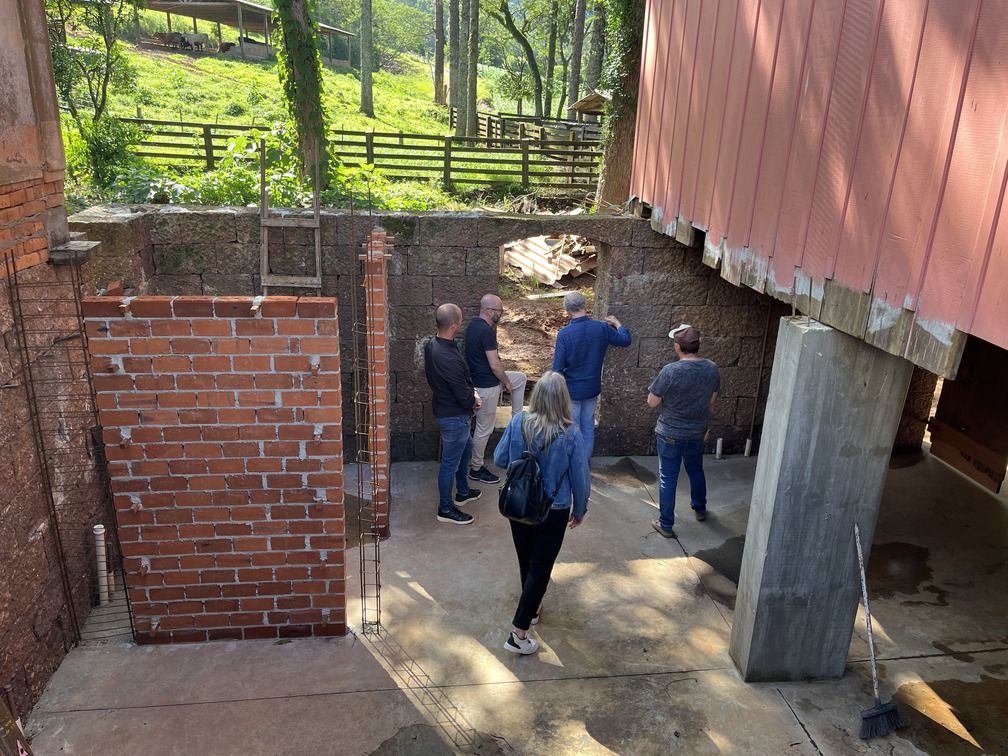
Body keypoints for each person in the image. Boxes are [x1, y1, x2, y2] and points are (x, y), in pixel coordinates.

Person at [494, 371, 590, 654]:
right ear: (563, 400)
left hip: (519, 504)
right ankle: (518, 634)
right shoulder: (570, 434)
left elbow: (499, 458)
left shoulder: (518, 422)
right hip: (553, 509)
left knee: (527, 559)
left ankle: (533, 608)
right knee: (541, 566)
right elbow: (580, 479)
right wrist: (580, 509)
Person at [646, 324, 720, 537]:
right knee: (696, 470)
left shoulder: (670, 370)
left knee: (668, 478)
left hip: (670, 434)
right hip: (697, 432)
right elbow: (712, 402)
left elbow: (652, 402)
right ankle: (699, 509)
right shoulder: (712, 368)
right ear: (697, 345)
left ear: (678, 347)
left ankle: (666, 524)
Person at [551, 291, 631, 459]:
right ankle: (584, 465)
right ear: (584, 305)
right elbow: (625, 340)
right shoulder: (602, 328)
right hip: (592, 388)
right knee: (588, 429)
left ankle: (573, 465)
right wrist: (617, 323)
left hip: (571, 390)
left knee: (572, 430)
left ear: (567, 310)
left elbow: (556, 369)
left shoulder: (564, 334)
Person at [424, 303, 483, 525]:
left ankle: (463, 492)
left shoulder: (433, 344)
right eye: (460, 322)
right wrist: (474, 401)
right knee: (449, 464)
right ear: (454, 326)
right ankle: (446, 509)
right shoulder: (448, 357)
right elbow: (462, 393)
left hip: (447, 410)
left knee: (466, 448)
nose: (460, 325)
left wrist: (470, 397)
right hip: (454, 417)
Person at [465, 294, 528, 484]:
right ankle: (476, 468)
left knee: (521, 378)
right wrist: (506, 382)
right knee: (484, 429)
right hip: (486, 386)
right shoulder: (486, 331)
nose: (501, 314)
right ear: (489, 311)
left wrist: (508, 380)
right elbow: (494, 364)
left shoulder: (473, 326)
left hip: (482, 380)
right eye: (500, 311)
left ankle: (517, 420)